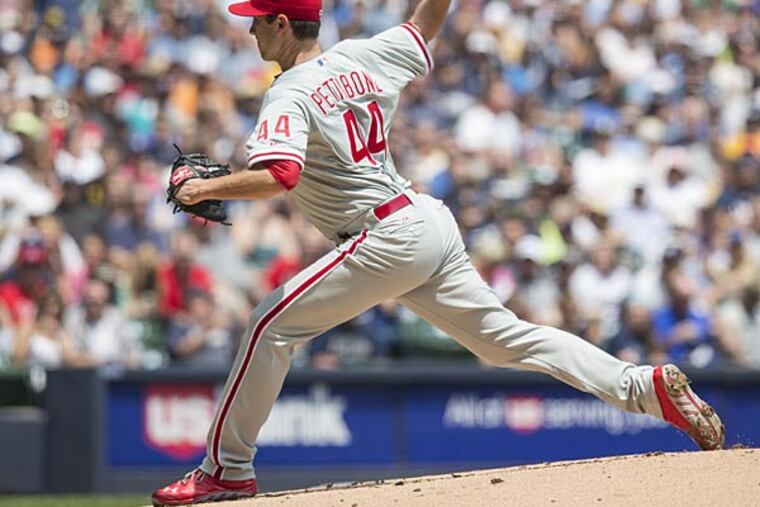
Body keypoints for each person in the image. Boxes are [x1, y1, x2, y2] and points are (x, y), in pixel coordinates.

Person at [152, 0, 725, 504]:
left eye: (257, 22)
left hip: (383, 235)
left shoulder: (289, 90)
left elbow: (279, 173)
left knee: (267, 327)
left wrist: (203, 187)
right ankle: (642, 387)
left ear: (282, 23)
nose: (251, 34)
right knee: (504, 340)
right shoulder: (362, 55)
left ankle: (226, 470)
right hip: (424, 221)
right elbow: (426, 22)